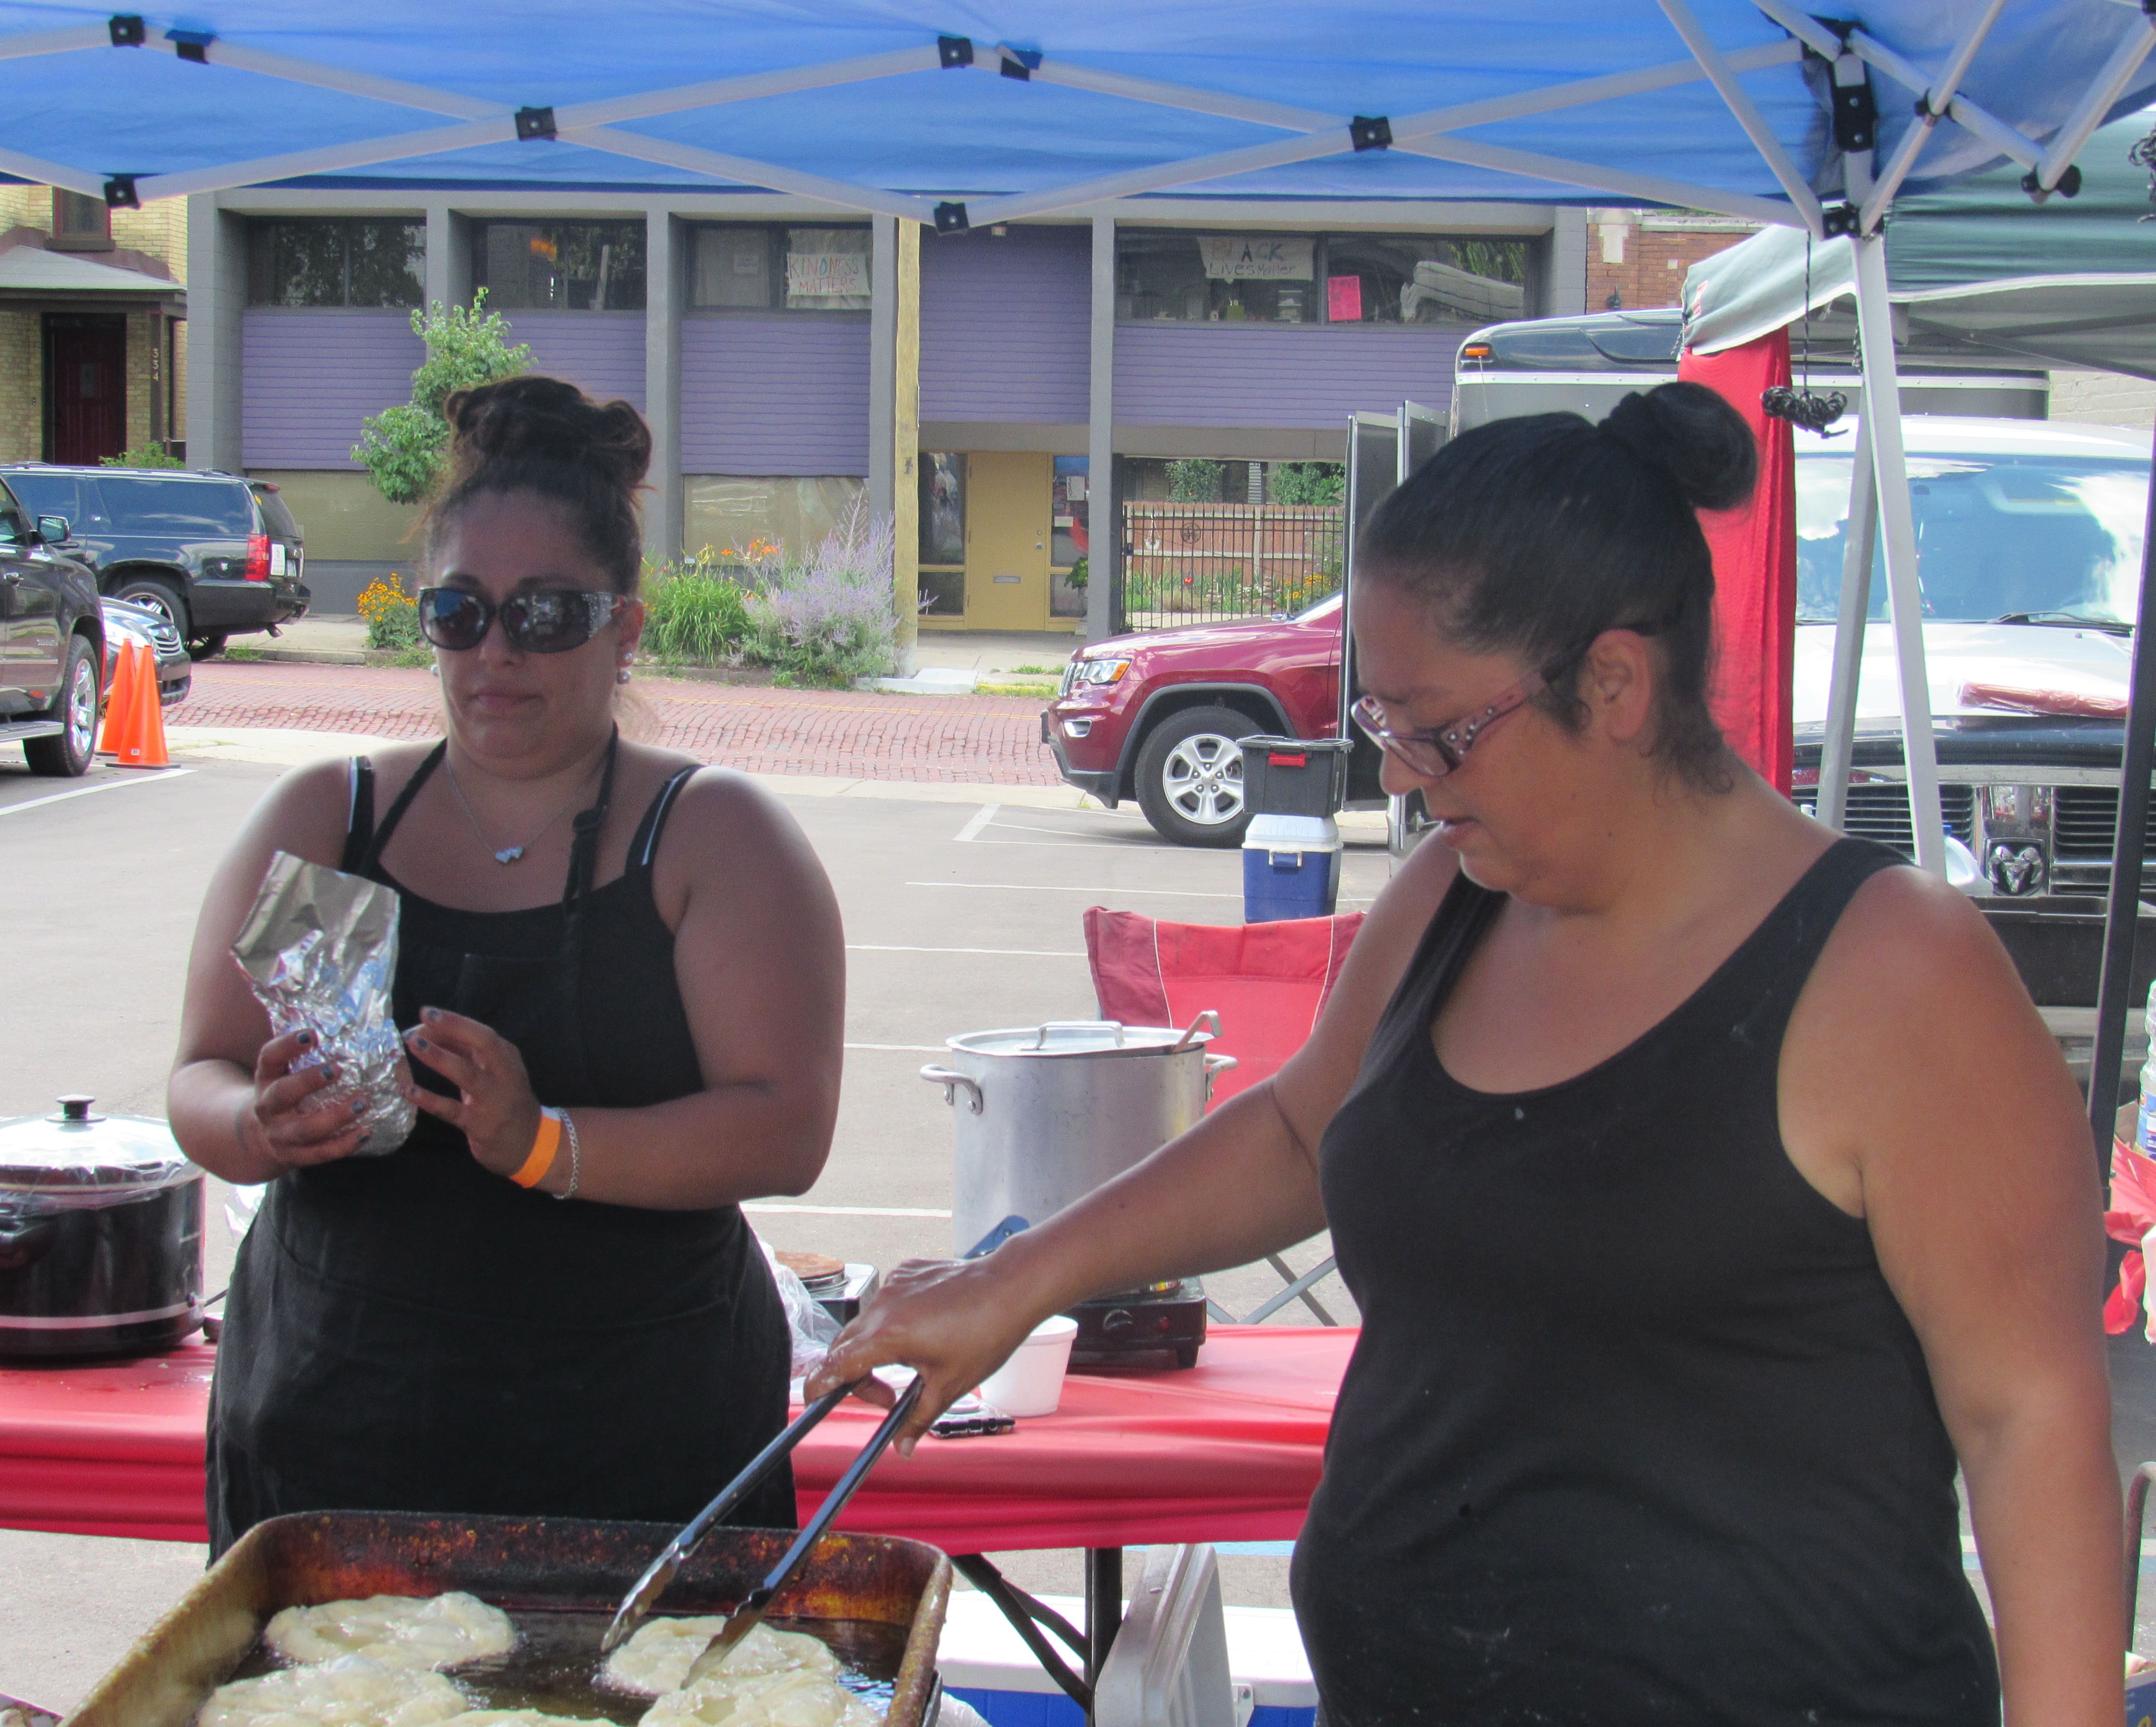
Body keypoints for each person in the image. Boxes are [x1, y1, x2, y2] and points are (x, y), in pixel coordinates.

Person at [813, 383, 2120, 1725]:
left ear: (1613, 682)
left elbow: (2033, 1424)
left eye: (1436, 732)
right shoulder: (1447, 900)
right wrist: (1013, 1283)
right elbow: (1298, 1133)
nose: (1400, 779)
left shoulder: (1893, 972)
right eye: (1382, 726)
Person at [171, 375, 846, 1556]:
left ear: (623, 628)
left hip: (636, 1434)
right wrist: (258, 1128)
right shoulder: (329, 818)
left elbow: (785, 1128)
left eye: (545, 614)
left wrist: (543, 1141)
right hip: (335, 1419)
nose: (497, 651)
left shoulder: (709, 837)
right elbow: (200, 1075)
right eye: (459, 612)